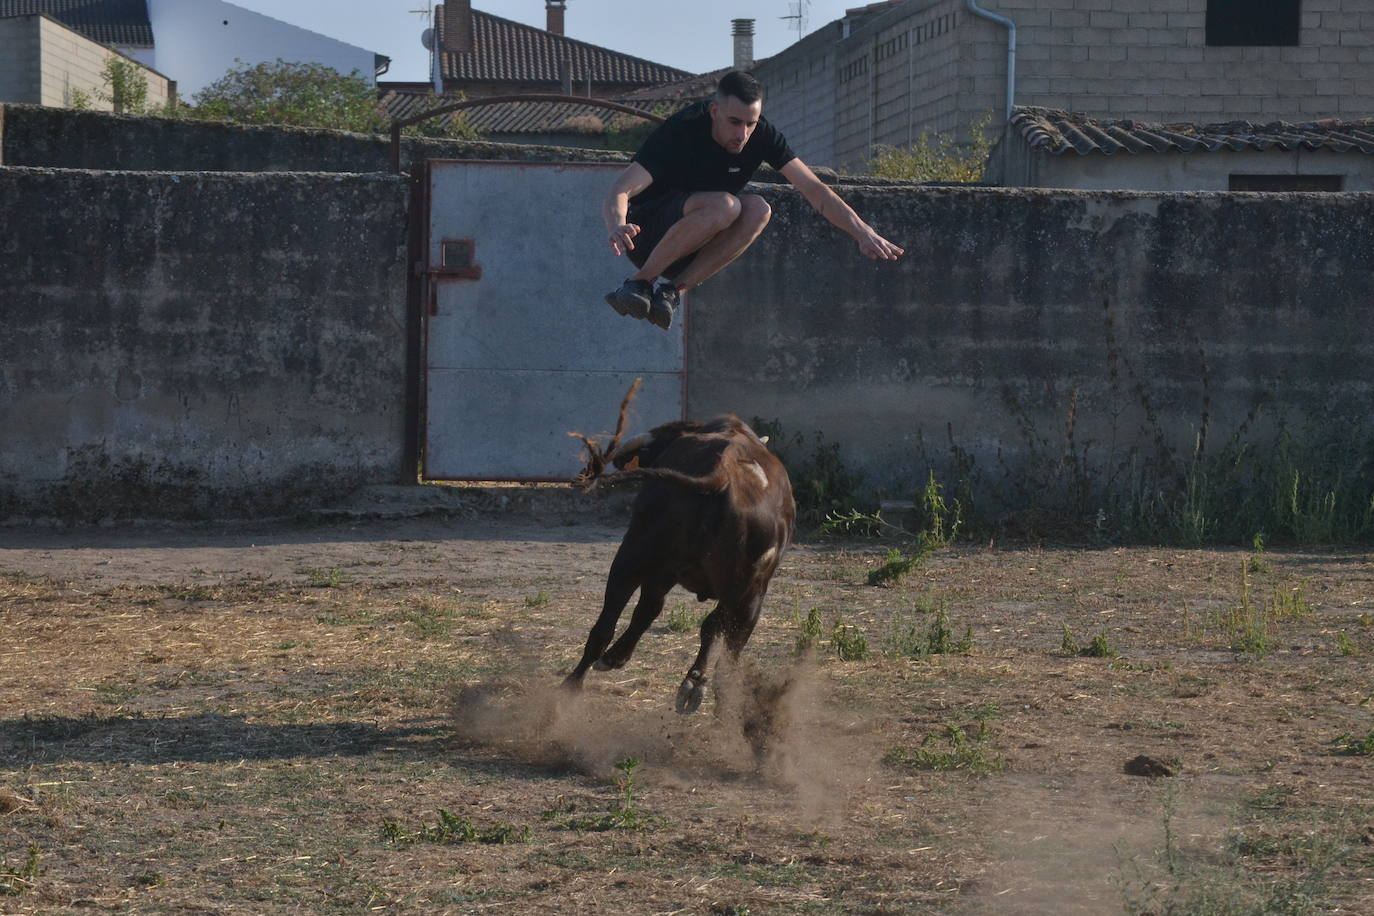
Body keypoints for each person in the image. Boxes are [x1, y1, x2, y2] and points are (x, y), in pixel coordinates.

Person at [602, 70, 904, 330]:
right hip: (646, 236)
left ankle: (672, 292)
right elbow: (621, 189)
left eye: (751, 123)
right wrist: (617, 224)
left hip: (695, 244)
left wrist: (863, 232)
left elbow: (815, 190)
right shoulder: (683, 128)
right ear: (714, 111)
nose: (742, 134)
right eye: (735, 122)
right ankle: (639, 283)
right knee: (726, 205)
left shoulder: (763, 136)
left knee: (759, 209)